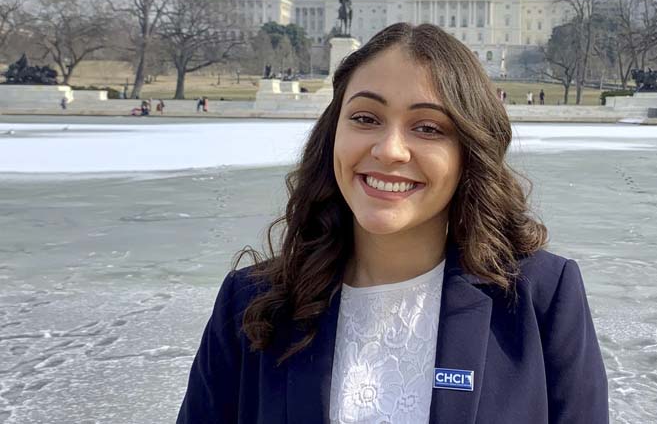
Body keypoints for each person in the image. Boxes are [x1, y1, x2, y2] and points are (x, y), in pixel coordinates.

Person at [177, 23, 608, 423]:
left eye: (427, 127)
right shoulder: (250, 304)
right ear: (333, 135)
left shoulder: (542, 299)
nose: (390, 150)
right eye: (366, 118)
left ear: (468, 153)